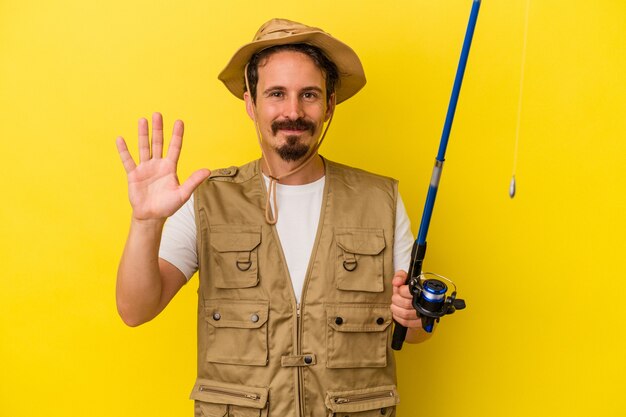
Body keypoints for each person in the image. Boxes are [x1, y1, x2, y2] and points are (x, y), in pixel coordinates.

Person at [115, 18, 430, 417]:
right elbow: (135, 309)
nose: (293, 111)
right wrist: (146, 223)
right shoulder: (207, 198)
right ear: (251, 103)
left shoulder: (380, 199)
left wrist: (413, 318)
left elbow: (414, 330)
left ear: (330, 104)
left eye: (310, 95)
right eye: (277, 93)